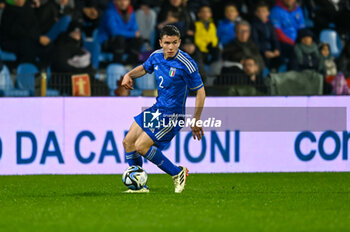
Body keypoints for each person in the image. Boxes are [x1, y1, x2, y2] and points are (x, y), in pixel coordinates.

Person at [121, 25, 205, 193]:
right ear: (161, 42)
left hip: (172, 116)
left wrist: (196, 119)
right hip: (157, 110)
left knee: (141, 146)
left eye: (175, 42)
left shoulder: (186, 64)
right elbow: (144, 68)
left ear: (179, 42)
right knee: (128, 142)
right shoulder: (156, 56)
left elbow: (201, 92)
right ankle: (139, 187)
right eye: (167, 43)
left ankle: (177, 172)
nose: (171, 47)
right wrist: (128, 75)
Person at [98, 0, 142, 65]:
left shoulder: (131, 12)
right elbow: (114, 32)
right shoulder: (109, 12)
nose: (123, 3)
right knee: (119, 39)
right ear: (115, 1)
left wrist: (134, 34)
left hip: (124, 41)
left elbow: (135, 29)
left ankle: (131, 64)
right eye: (120, 0)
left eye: (125, 0)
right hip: (108, 42)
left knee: (138, 40)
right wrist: (132, 34)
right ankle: (117, 64)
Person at [270, 0, 305, 67]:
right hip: (282, 42)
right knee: (295, 52)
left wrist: (303, 40)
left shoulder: (298, 9)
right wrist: (292, 42)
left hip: (297, 41)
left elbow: (302, 28)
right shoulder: (276, 10)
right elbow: (277, 32)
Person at [251, 1, 281, 71]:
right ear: (256, 13)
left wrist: (277, 49)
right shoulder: (254, 25)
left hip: (271, 49)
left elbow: (274, 38)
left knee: (279, 59)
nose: (261, 13)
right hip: (261, 51)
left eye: (264, 11)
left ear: (268, 12)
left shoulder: (270, 24)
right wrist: (264, 51)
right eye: (259, 11)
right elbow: (255, 41)